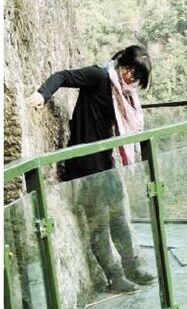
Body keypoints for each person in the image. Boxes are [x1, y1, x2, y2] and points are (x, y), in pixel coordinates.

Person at [27, 45, 155, 293]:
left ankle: (132, 268)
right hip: (84, 163)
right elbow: (64, 76)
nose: (133, 80)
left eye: (137, 78)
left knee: (119, 218)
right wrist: (42, 95)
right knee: (100, 223)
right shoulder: (98, 77)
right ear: (124, 65)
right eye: (132, 73)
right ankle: (114, 277)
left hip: (105, 161)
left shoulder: (123, 95)